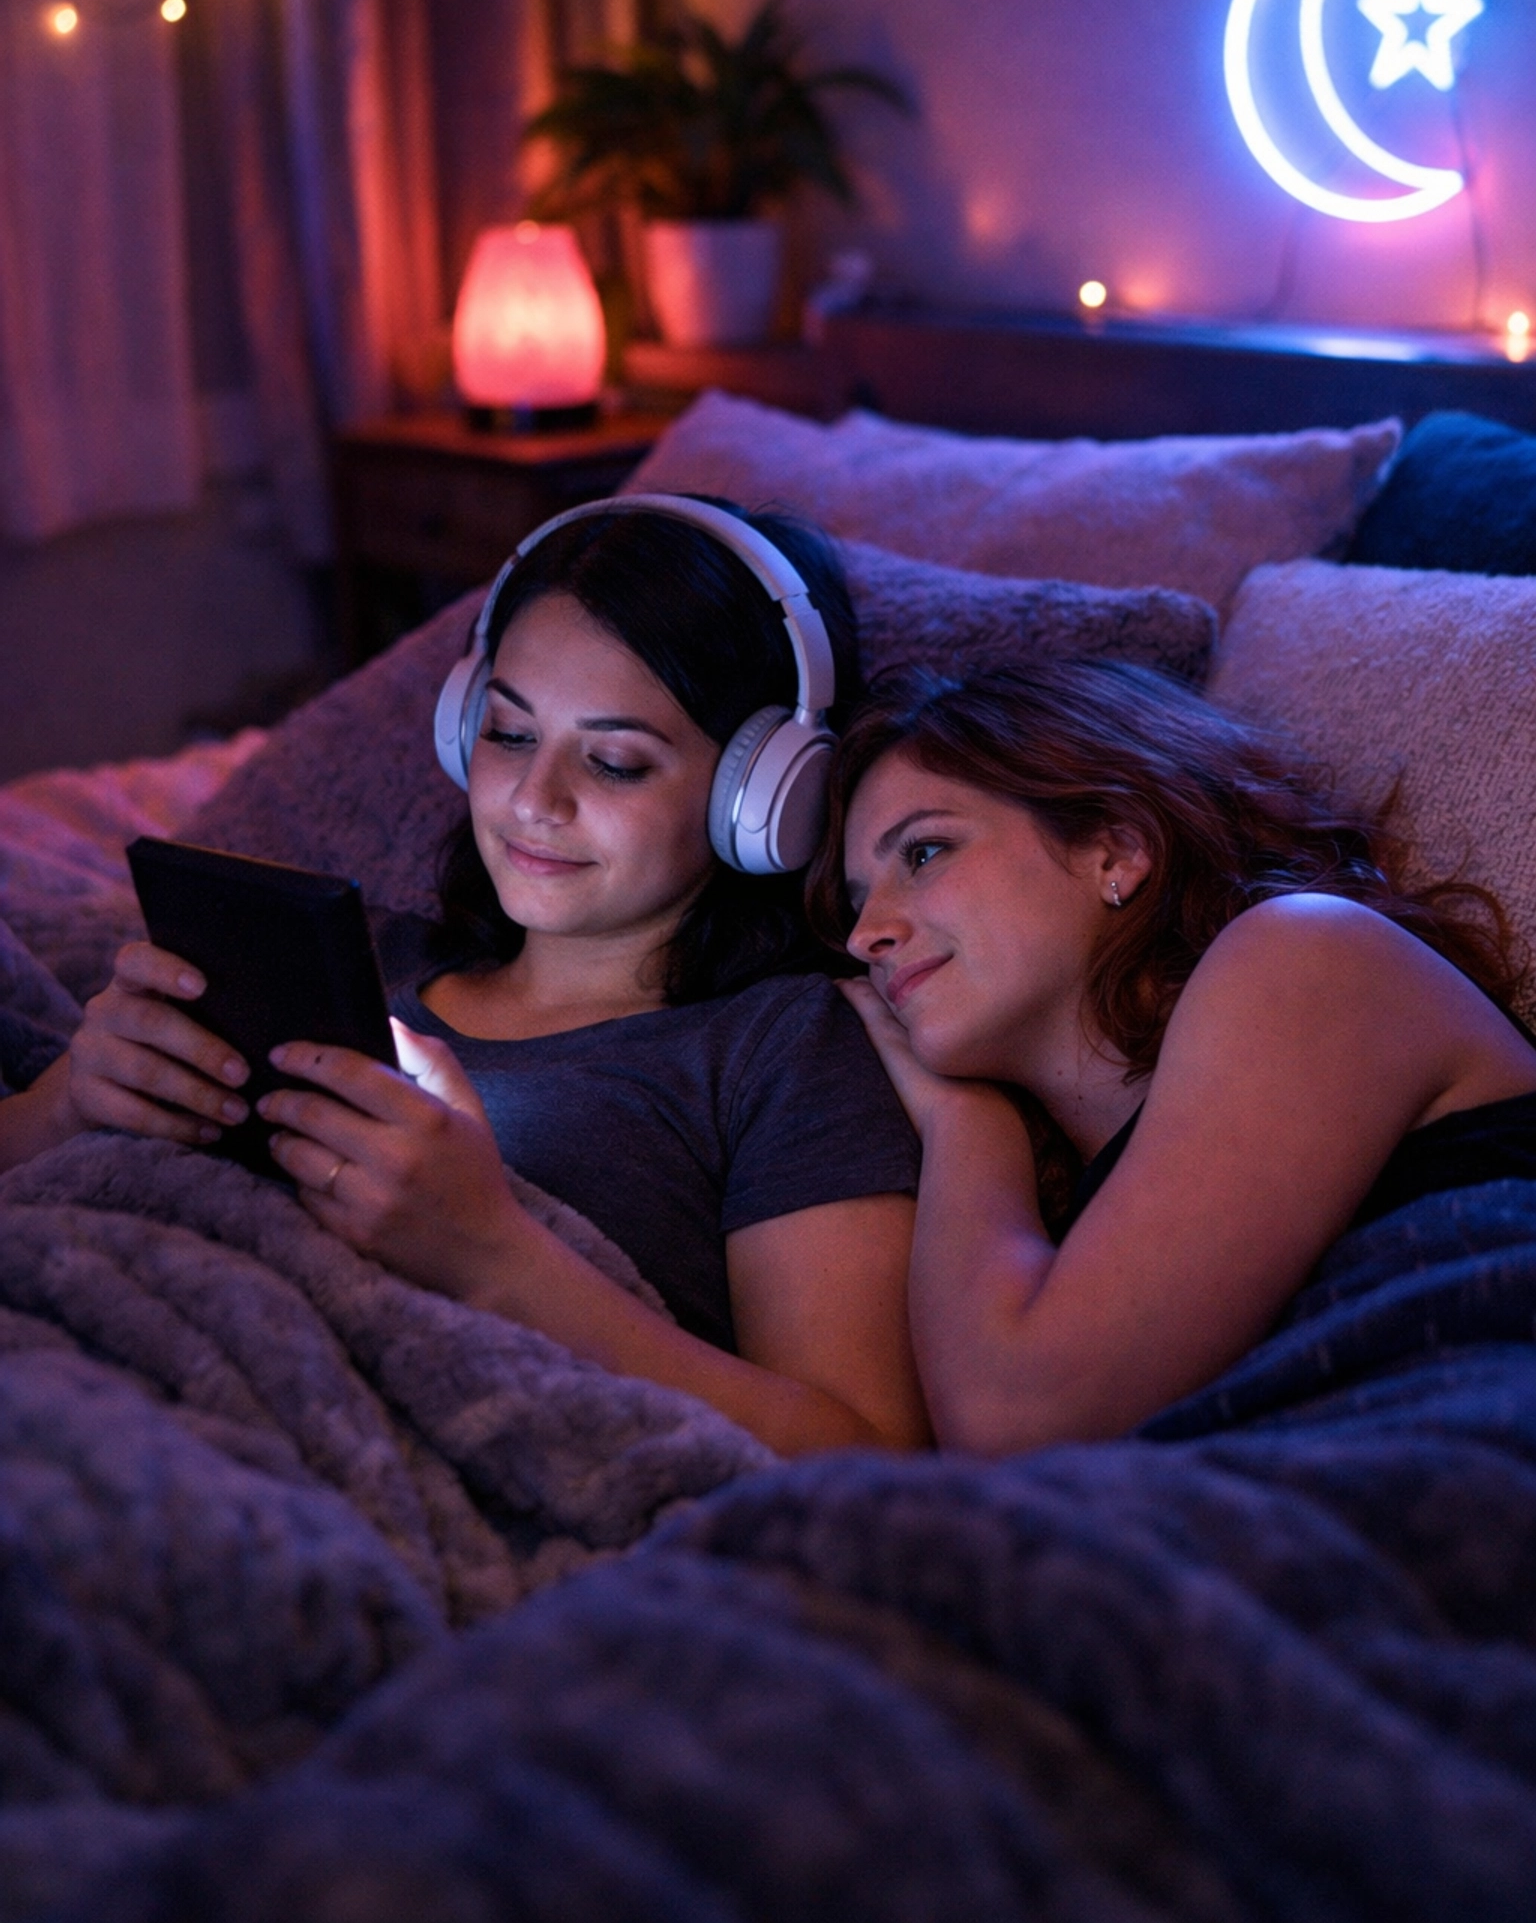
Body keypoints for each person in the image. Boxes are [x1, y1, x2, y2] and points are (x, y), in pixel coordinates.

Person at [2, 501, 929, 1457]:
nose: (534, 800)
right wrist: (71, 1103)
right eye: (509, 734)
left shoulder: (781, 1048)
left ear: (766, 797)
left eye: (614, 763)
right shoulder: (350, 954)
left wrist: (494, 1256)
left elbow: (861, 1457)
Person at [815, 658, 1536, 1457]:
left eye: (922, 853)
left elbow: (1017, 1418)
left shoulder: (1306, 952)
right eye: (856, 901)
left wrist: (962, 1120)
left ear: (1115, 852)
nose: (865, 934)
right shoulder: (1052, 1223)